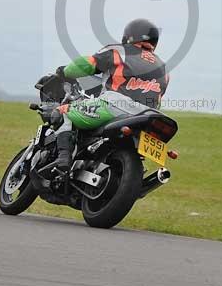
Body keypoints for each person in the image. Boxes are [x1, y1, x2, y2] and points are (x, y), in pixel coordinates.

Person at [51, 18, 169, 172]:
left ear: (129, 36)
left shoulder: (120, 51)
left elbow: (88, 64)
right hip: (148, 118)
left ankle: (63, 160)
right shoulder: (164, 69)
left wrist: (64, 71)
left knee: (62, 112)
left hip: (114, 106)